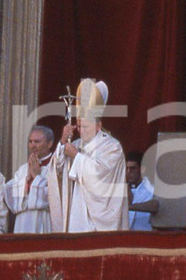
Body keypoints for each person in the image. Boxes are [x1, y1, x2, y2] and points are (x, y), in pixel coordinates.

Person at [47, 78, 129, 232]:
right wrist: (63, 143)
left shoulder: (112, 147)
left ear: (98, 126)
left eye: (86, 126)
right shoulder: (75, 144)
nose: (80, 130)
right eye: (78, 125)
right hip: (76, 216)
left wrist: (77, 157)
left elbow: (101, 176)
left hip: (99, 220)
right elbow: (58, 170)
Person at [4, 125, 55, 233]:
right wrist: (27, 180)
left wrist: (37, 177)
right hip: (22, 223)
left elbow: (55, 197)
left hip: (44, 220)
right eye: (30, 141)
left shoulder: (56, 167)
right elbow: (10, 195)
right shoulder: (23, 169)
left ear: (49, 144)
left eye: (37, 141)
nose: (32, 145)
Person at [125, 150, 157, 231]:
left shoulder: (152, 191)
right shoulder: (120, 190)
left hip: (145, 237)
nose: (128, 172)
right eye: (126, 168)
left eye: (132, 169)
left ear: (142, 169)